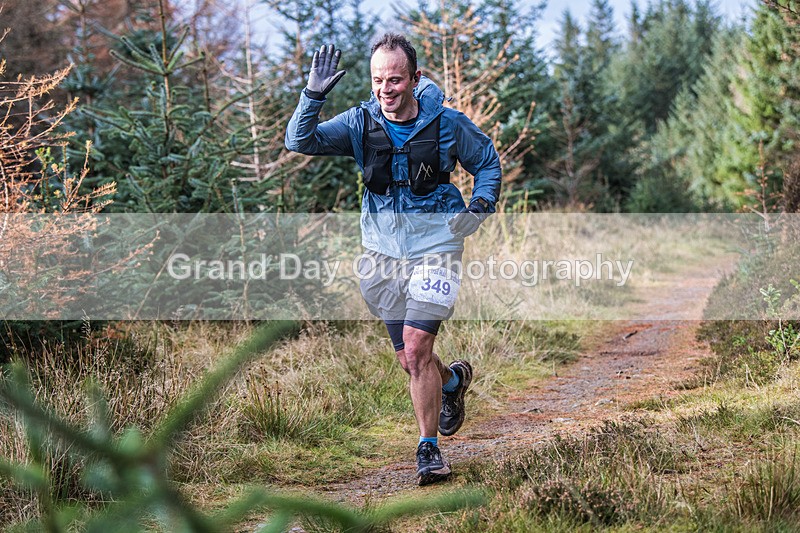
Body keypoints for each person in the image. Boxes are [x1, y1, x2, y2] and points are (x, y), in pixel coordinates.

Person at [285, 33, 501, 486]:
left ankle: (429, 451)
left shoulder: (447, 124)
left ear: (415, 78)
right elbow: (298, 141)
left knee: (418, 347)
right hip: (381, 256)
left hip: (438, 247)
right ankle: (452, 383)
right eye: (378, 80)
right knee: (409, 359)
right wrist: (313, 95)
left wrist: (478, 208)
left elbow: (487, 164)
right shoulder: (360, 124)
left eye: (396, 80)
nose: (386, 89)